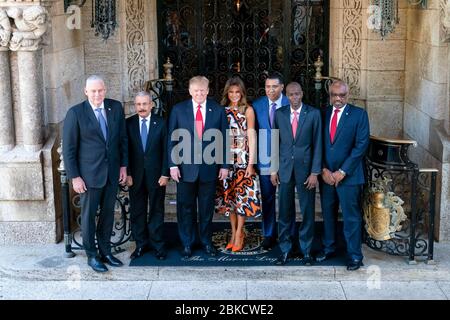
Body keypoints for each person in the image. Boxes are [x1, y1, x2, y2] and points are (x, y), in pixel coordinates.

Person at [63, 75, 128, 273]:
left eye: (100, 90)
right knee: (89, 216)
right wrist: (75, 177)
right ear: (86, 91)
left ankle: (106, 251)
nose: (97, 94)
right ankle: (92, 255)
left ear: (105, 90)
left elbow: (122, 140)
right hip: (88, 176)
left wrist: (123, 166)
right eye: (93, 91)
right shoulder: (76, 113)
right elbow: (69, 149)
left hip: (112, 173)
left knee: (108, 214)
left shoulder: (115, 107)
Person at [168, 76, 229, 258]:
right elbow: (172, 139)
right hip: (185, 169)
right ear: (190, 91)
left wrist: (224, 165)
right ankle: (187, 243)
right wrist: (172, 165)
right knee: (185, 208)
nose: (199, 93)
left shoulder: (217, 110)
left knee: (206, 209)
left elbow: (225, 140)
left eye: (203, 90)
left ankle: (206, 242)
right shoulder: (179, 110)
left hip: (209, 169)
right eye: (196, 90)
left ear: (208, 91)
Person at [317, 80, 370, 271]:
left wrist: (342, 171)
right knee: (328, 215)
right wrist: (323, 169)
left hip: (350, 177)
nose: (338, 99)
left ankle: (354, 255)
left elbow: (361, 146)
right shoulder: (322, 114)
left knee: (351, 217)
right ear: (329, 95)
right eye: (334, 95)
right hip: (327, 177)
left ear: (348, 95)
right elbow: (318, 145)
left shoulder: (359, 115)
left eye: (342, 95)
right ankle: (329, 248)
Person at [271, 82, 322, 265]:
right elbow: (274, 142)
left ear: (302, 94)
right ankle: (285, 249)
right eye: (291, 95)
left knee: (307, 211)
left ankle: (306, 250)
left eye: (297, 94)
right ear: (286, 95)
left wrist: (315, 172)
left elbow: (318, 144)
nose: (294, 98)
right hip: (284, 170)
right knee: (284, 212)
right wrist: (273, 169)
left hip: (306, 171)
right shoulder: (279, 114)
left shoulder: (313, 114)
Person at [215, 77, 262, 252]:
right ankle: (234, 231)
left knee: (242, 200)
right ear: (227, 93)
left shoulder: (248, 110)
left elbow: (252, 136)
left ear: (242, 92)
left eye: (237, 92)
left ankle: (239, 234)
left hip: (243, 160)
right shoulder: (222, 111)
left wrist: (251, 163)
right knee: (231, 200)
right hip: (227, 161)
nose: (234, 95)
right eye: (231, 92)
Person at [252, 73, 295, 250]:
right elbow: (253, 135)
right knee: (268, 199)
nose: (270, 90)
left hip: (286, 161)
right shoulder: (257, 105)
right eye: (268, 86)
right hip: (265, 159)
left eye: (274, 87)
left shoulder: (291, 103)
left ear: (282, 87)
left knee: (287, 199)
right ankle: (268, 234)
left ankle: (289, 234)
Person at [126, 92, 169, 261]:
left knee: (157, 210)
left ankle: (158, 245)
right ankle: (141, 244)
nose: (141, 107)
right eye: (138, 104)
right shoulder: (128, 124)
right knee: (137, 211)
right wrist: (127, 173)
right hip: (135, 177)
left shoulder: (161, 123)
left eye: (145, 104)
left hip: (157, 175)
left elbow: (167, 150)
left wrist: (165, 173)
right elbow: (125, 151)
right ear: (135, 106)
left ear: (152, 105)